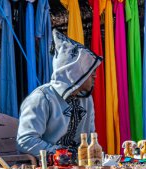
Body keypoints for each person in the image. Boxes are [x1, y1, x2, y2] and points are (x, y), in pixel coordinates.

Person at [16, 29, 103, 158]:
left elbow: (90, 139)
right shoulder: (42, 98)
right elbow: (26, 141)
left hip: (78, 167)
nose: (95, 76)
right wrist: (62, 154)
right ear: (75, 71)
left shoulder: (86, 100)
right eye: (91, 71)